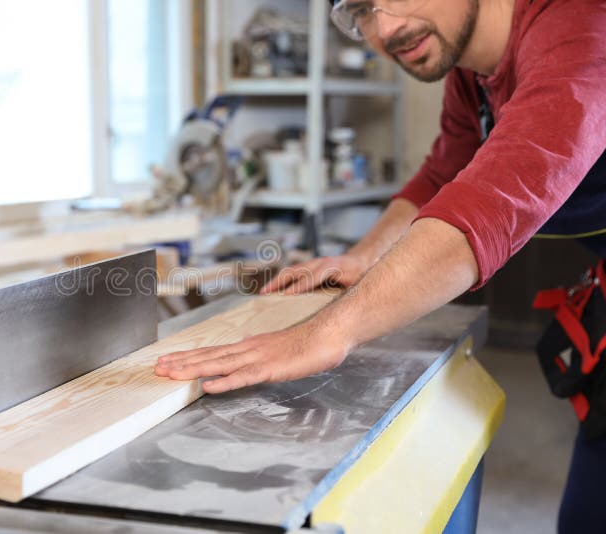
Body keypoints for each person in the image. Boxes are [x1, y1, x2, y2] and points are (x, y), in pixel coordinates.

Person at [155, 0, 606, 530]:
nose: (387, 26)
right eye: (361, 9)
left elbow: (491, 203)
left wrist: (329, 330)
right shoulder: (471, 74)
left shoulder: (583, 29)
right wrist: (363, 258)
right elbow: (445, 174)